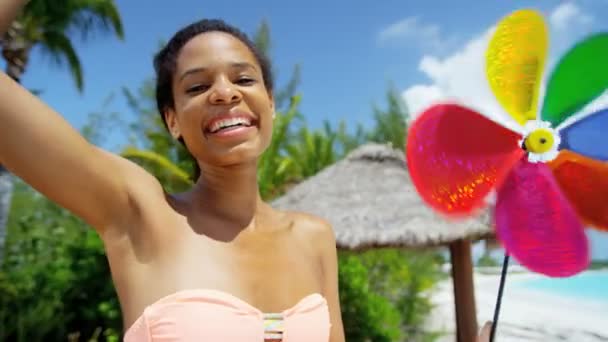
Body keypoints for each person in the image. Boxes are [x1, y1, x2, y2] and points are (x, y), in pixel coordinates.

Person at [0, 1, 344, 341]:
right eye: (197, 87)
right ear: (173, 120)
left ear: (270, 101)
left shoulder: (314, 238)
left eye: (243, 78)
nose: (225, 93)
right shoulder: (140, 214)